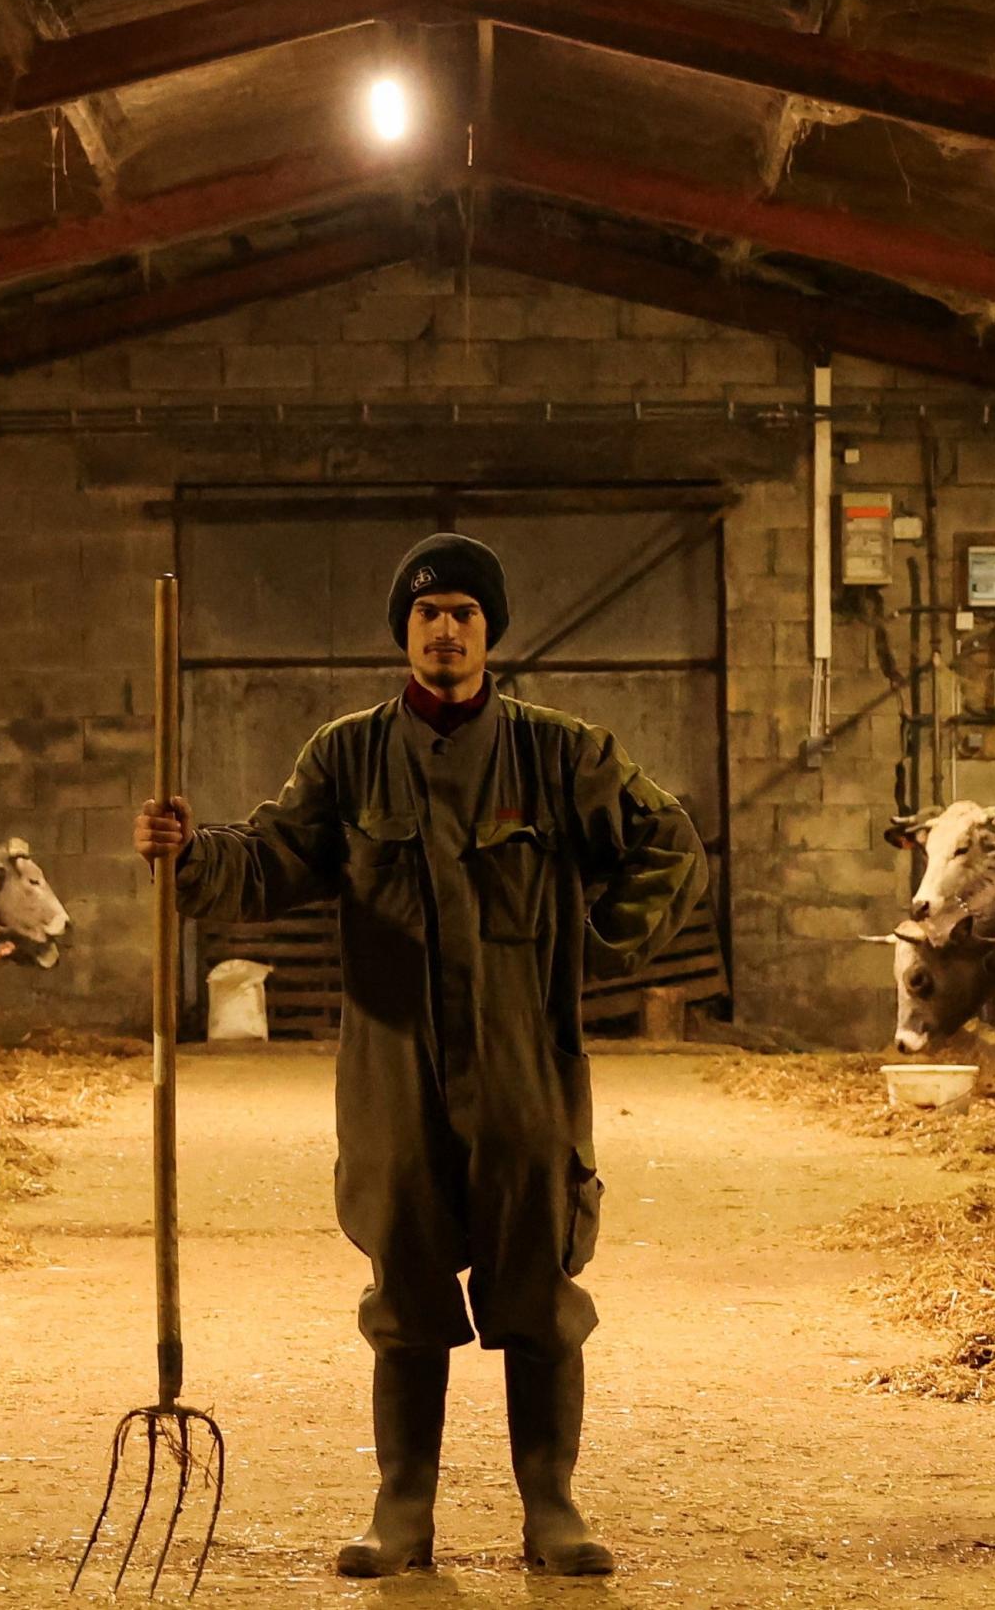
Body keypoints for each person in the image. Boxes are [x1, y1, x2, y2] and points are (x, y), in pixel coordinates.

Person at [132, 531, 708, 1578]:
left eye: (464, 613)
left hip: (525, 1055)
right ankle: (402, 1507)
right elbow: (271, 857)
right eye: (426, 612)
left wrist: (596, 943)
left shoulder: (561, 751)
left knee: (534, 1274)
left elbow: (667, 843)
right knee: (402, 1278)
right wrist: (193, 853)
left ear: (489, 632)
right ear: (403, 630)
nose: (445, 628)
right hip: (390, 1059)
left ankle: (551, 1506)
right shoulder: (346, 754)